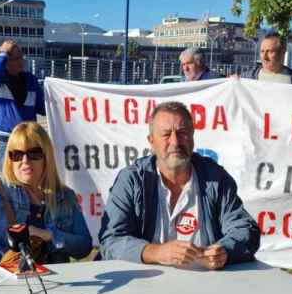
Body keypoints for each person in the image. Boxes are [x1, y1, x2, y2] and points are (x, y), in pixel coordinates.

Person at [98, 101, 260, 268]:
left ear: (192, 137)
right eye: (166, 134)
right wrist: (155, 252)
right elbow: (111, 241)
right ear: (151, 141)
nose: (175, 142)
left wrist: (225, 251)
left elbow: (245, 229)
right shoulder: (132, 180)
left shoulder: (215, 178)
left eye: (182, 133)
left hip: (206, 285)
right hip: (144, 286)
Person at [0, 121, 92, 268]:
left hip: (56, 281)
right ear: (9, 158)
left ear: (47, 156)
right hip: (5, 281)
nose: (25, 161)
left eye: (34, 153)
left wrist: (49, 235)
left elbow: (84, 246)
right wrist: (4, 259)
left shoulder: (65, 196)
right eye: (17, 154)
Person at [0, 39, 45, 168]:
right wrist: (3, 53)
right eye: (17, 58)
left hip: (29, 141)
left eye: (22, 57)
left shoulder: (30, 80)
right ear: (6, 61)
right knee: (9, 184)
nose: (22, 61)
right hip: (7, 142)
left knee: (30, 182)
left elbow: (43, 108)